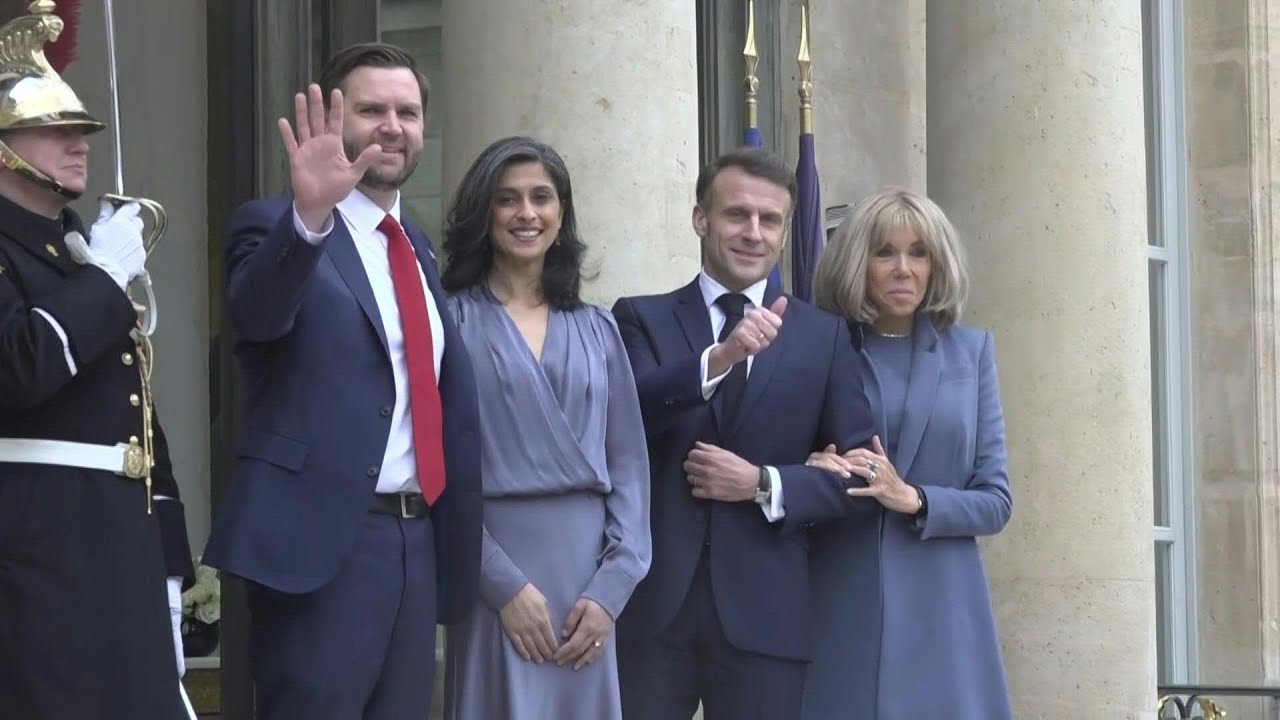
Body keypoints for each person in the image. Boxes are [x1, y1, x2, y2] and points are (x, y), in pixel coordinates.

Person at [203, 42, 482, 719]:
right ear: (333, 118)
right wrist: (309, 218)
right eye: (371, 109)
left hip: (414, 542)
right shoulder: (275, 225)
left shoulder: (415, 245)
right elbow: (259, 317)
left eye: (408, 111)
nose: (392, 125)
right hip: (321, 545)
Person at [611, 147, 877, 720]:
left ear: (784, 233)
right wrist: (720, 357)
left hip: (766, 614)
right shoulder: (638, 317)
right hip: (653, 609)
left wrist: (765, 482)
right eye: (737, 215)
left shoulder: (823, 338)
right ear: (701, 219)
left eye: (770, 219)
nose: (753, 232)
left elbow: (864, 480)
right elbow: (626, 417)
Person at [0, 3, 194, 717]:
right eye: (53, 129)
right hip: (37, 548)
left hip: (120, 545)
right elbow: (19, 367)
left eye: (80, 128)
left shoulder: (82, 251)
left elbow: (137, 414)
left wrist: (171, 559)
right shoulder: (81, 267)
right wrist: (103, 284)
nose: (78, 143)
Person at [439, 136, 650, 719]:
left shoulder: (599, 329)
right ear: (484, 214)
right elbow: (436, 468)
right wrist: (499, 584)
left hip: (588, 588)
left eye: (541, 197)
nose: (526, 213)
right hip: (493, 577)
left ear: (562, 214)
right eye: (508, 200)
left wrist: (610, 593)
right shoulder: (447, 323)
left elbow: (631, 468)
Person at [804, 187, 1013, 719]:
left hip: (945, 599)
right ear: (858, 263)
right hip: (839, 593)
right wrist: (806, 468)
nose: (903, 269)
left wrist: (914, 497)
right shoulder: (819, 347)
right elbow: (786, 462)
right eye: (885, 252)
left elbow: (995, 500)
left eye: (918, 252)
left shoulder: (972, 352)